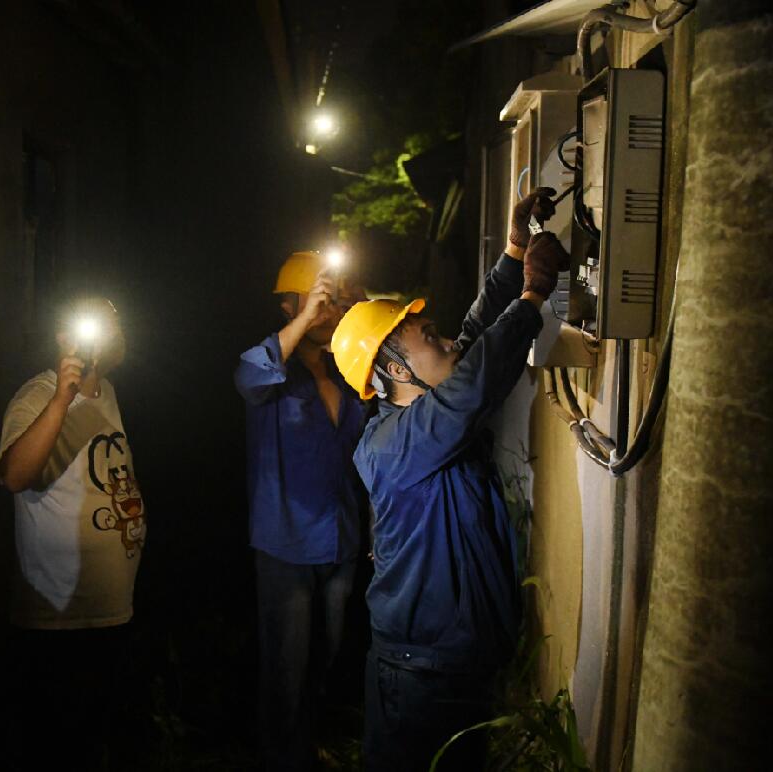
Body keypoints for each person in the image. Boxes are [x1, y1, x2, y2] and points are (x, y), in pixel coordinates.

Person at [330, 189, 568, 771]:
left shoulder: (421, 410)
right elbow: (474, 382)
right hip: (421, 676)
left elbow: (474, 335)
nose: (445, 343)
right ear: (394, 369)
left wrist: (515, 252)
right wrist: (534, 296)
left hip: (449, 665)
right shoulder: (392, 446)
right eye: (428, 337)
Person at [0, 297, 144, 769]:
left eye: (116, 322)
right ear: (66, 337)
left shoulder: (108, 391)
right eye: (104, 324)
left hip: (110, 611)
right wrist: (62, 397)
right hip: (59, 619)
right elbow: (14, 476)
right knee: (59, 749)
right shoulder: (36, 395)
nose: (115, 332)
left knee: (101, 743)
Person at [234, 251, 369, 771]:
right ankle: (281, 756)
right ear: (289, 306)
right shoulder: (273, 370)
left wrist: (359, 309)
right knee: (286, 665)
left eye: (333, 303)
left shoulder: (345, 369)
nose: (328, 312)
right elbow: (248, 377)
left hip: (341, 539)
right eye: (317, 302)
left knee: (325, 658)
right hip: (286, 543)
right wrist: (309, 316)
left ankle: (307, 745)